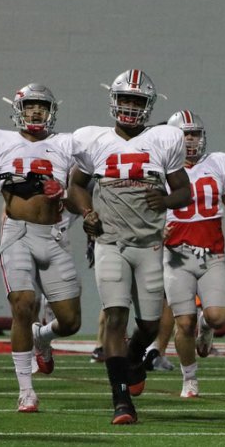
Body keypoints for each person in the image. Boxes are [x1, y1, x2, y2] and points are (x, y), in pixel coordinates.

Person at [67, 69, 191, 424]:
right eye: (126, 99)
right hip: (109, 241)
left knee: (150, 325)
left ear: (149, 105)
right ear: (114, 101)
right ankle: (121, 400)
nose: (131, 107)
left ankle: (136, 359)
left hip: (149, 243)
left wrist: (166, 201)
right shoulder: (94, 140)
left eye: (137, 101)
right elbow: (75, 187)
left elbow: (185, 191)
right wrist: (87, 211)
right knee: (115, 317)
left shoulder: (163, 140)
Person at [0, 83, 82, 413]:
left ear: (52, 111)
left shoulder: (66, 145)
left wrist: (62, 193)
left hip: (52, 235)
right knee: (23, 304)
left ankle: (43, 338)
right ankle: (26, 391)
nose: (36, 112)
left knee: (70, 322)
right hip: (16, 233)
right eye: (30, 105)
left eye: (42, 106)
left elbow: (79, 202)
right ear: (18, 109)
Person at [163, 110, 225, 397]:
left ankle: (206, 326)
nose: (191, 140)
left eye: (195, 134)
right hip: (176, 255)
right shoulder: (161, 168)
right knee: (183, 322)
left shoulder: (219, 163)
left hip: (212, 254)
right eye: (185, 135)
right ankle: (189, 378)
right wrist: (154, 229)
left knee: (218, 317)